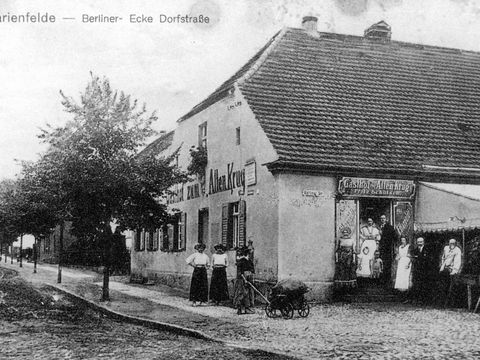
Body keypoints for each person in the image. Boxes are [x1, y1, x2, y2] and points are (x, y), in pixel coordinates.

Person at [233, 247, 255, 315]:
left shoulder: (250, 261)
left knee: (249, 293)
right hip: (242, 279)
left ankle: (247, 308)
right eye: (249, 253)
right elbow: (240, 272)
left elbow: (252, 270)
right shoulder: (241, 261)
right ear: (247, 253)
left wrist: (251, 278)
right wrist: (244, 279)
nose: (251, 254)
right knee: (241, 293)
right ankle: (239, 308)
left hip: (249, 278)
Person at [439, 239, 462, 304]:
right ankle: (443, 302)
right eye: (450, 243)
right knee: (443, 285)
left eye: (453, 243)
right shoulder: (446, 248)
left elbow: (458, 261)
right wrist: (442, 265)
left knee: (452, 287)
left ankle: (451, 303)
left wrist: (454, 270)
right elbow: (443, 257)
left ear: (455, 243)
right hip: (445, 269)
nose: (451, 245)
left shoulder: (457, 250)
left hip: (452, 270)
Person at [410, 237, 432, 305]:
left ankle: (423, 301)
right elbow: (413, 259)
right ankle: (416, 300)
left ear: (423, 242)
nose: (419, 243)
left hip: (424, 271)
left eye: (421, 242)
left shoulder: (427, 250)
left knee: (424, 286)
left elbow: (428, 260)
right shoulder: (415, 250)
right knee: (416, 285)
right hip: (417, 270)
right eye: (418, 242)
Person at [378, 214, 397, 285]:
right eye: (381, 218)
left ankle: (387, 280)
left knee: (387, 264)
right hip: (381, 248)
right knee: (380, 263)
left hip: (387, 248)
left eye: (384, 218)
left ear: (386, 219)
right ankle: (380, 279)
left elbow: (395, 237)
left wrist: (393, 246)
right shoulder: (379, 227)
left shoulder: (390, 227)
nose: (382, 219)